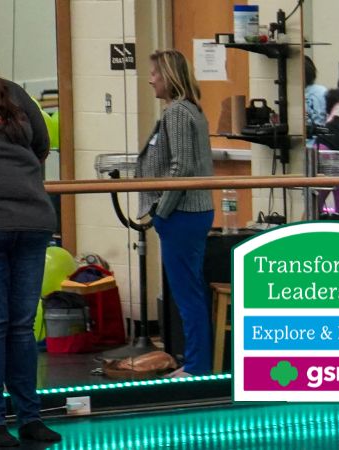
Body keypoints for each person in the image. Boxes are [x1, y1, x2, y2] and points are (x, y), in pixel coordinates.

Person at [138, 49, 216, 379]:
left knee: (188, 295)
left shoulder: (178, 113)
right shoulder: (185, 111)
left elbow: (181, 167)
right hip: (187, 213)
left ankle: (198, 366)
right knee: (189, 292)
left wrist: (161, 212)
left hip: (182, 214)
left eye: (155, 73)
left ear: (168, 76)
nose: (151, 78)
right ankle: (197, 362)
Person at [0, 68, 62, 444]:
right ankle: (30, 419)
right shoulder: (16, 94)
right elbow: (41, 147)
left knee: (0, 327)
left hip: (11, 223)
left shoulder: (15, 93)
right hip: (33, 217)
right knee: (20, 327)